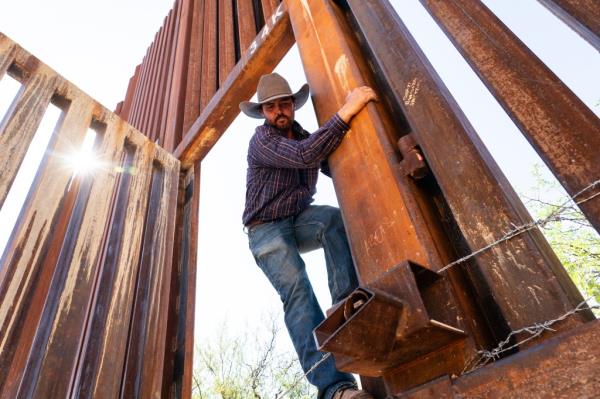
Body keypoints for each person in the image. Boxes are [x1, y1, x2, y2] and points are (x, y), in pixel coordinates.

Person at [240, 73, 377, 399]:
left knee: (333, 220)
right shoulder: (261, 141)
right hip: (265, 230)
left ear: (293, 105)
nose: (278, 110)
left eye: (283, 103)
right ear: (263, 113)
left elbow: (328, 158)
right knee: (298, 292)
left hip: (298, 220)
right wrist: (348, 111)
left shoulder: (304, 136)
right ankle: (335, 389)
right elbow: (305, 156)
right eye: (270, 107)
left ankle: (346, 309)